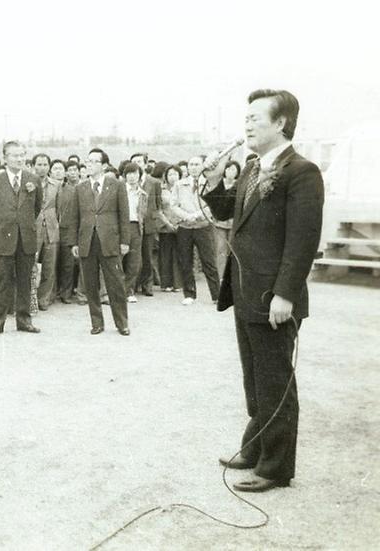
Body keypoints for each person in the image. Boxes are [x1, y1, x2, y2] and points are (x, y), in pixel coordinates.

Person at [202, 89, 324, 492]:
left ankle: (275, 467)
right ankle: (255, 448)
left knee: (275, 383)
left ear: (281, 123)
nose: (247, 124)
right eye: (247, 117)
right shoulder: (254, 166)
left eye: (256, 117)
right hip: (244, 292)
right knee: (254, 380)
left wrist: (286, 294)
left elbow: (302, 241)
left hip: (274, 298)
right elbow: (227, 214)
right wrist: (215, 180)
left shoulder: (301, 171)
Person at [0, 141, 43, 337]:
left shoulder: (33, 179)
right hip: (3, 240)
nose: (19, 158)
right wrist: (2, 229)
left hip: (26, 239)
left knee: (25, 281)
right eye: (14, 155)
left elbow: (36, 208)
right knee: (1, 282)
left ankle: (24, 320)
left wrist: (23, 225)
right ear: (5, 158)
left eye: (22, 154)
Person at [69, 149, 131, 336]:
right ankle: (97, 323)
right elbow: (74, 218)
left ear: (104, 165)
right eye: (88, 161)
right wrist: (74, 243)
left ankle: (122, 323)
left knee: (116, 284)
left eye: (94, 161)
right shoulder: (80, 188)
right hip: (87, 242)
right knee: (90, 284)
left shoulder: (117, 185)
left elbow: (124, 215)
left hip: (110, 241)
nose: (90, 164)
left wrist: (124, 241)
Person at [171, 156, 220, 305]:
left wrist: (197, 215)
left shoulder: (209, 184)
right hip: (185, 227)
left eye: (197, 164)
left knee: (208, 261)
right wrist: (186, 217)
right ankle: (189, 294)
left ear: (202, 166)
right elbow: (173, 205)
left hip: (203, 226)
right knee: (185, 261)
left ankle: (217, 295)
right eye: (191, 164)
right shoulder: (179, 184)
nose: (193, 167)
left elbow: (212, 205)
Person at [130, 153, 163, 297]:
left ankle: (147, 285)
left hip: (148, 224)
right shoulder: (126, 182)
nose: (137, 164)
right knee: (134, 257)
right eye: (134, 162)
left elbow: (157, 204)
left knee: (148, 256)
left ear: (145, 164)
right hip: (133, 225)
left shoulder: (154, 182)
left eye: (139, 161)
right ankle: (133, 285)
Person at [35, 158, 62, 310]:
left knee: (49, 266)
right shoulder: (29, 183)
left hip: (51, 229)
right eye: (39, 164)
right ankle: (30, 298)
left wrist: (54, 224)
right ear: (33, 166)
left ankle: (43, 298)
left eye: (45, 165)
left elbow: (58, 209)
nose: (42, 168)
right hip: (33, 229)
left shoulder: (56, 185)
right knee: (31, 265)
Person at [121, 163, 148, 303]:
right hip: (121, 227)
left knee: (134, 261)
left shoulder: (143, 194)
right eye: (129, 174)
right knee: (118, 259)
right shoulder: (120, 190)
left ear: (140, 175)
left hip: (136, 227)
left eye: (135, 173)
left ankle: (129, 291)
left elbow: (143, 213)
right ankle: (114, 291)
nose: (132, 177)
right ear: (125, 176)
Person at [56, 160, 83, 304]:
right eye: (70, 170)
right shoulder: (62, 189)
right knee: (66, 263)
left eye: (75, 170)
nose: (72, 173)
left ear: (79, 171)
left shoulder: (84, 187)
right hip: (65, 229)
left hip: (81, 229)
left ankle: (75, 292)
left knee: (77, 264)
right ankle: (63, 292)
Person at [212, 160, 240, 277]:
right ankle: (221, 276)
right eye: (228, 169)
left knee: (233, 250)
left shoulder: (239, 184)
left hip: (234, 222)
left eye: (233, 169)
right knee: (220, 250)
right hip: (220, 223)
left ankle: (233, 276)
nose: (230, 172)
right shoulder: (219, 184)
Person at [158, 165, 183, 292]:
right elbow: (159, 210)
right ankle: (166, 283)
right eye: (170, 174)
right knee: (165, 255)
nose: (173, 177)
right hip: (165, 226)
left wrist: (180, 222)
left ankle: (178, 283)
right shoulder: (161, 190)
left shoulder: (183, 189)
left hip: (181, 225)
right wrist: (168, 223)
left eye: (175, 174)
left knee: (179, 254)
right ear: (166, 176)